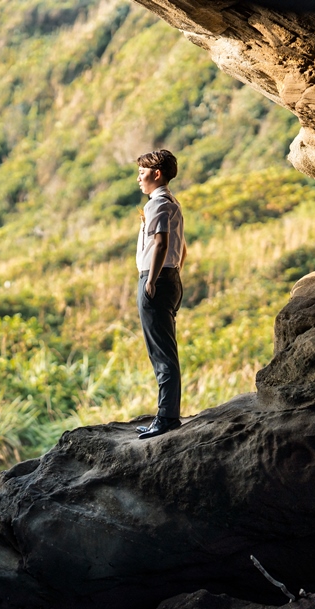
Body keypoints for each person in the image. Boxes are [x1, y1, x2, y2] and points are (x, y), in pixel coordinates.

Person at [134, 149, 187, 440]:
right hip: (171, 277)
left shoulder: (158, 203)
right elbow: (182, 247)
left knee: (161, 354)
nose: (139, 180)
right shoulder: (173, 203)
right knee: (167, 351)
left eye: (142, 173)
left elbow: (160, 243)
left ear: (157, 174)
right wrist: (173, 273)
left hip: (157, 279)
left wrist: (151, 281)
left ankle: (166, 418)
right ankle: (167, 414)